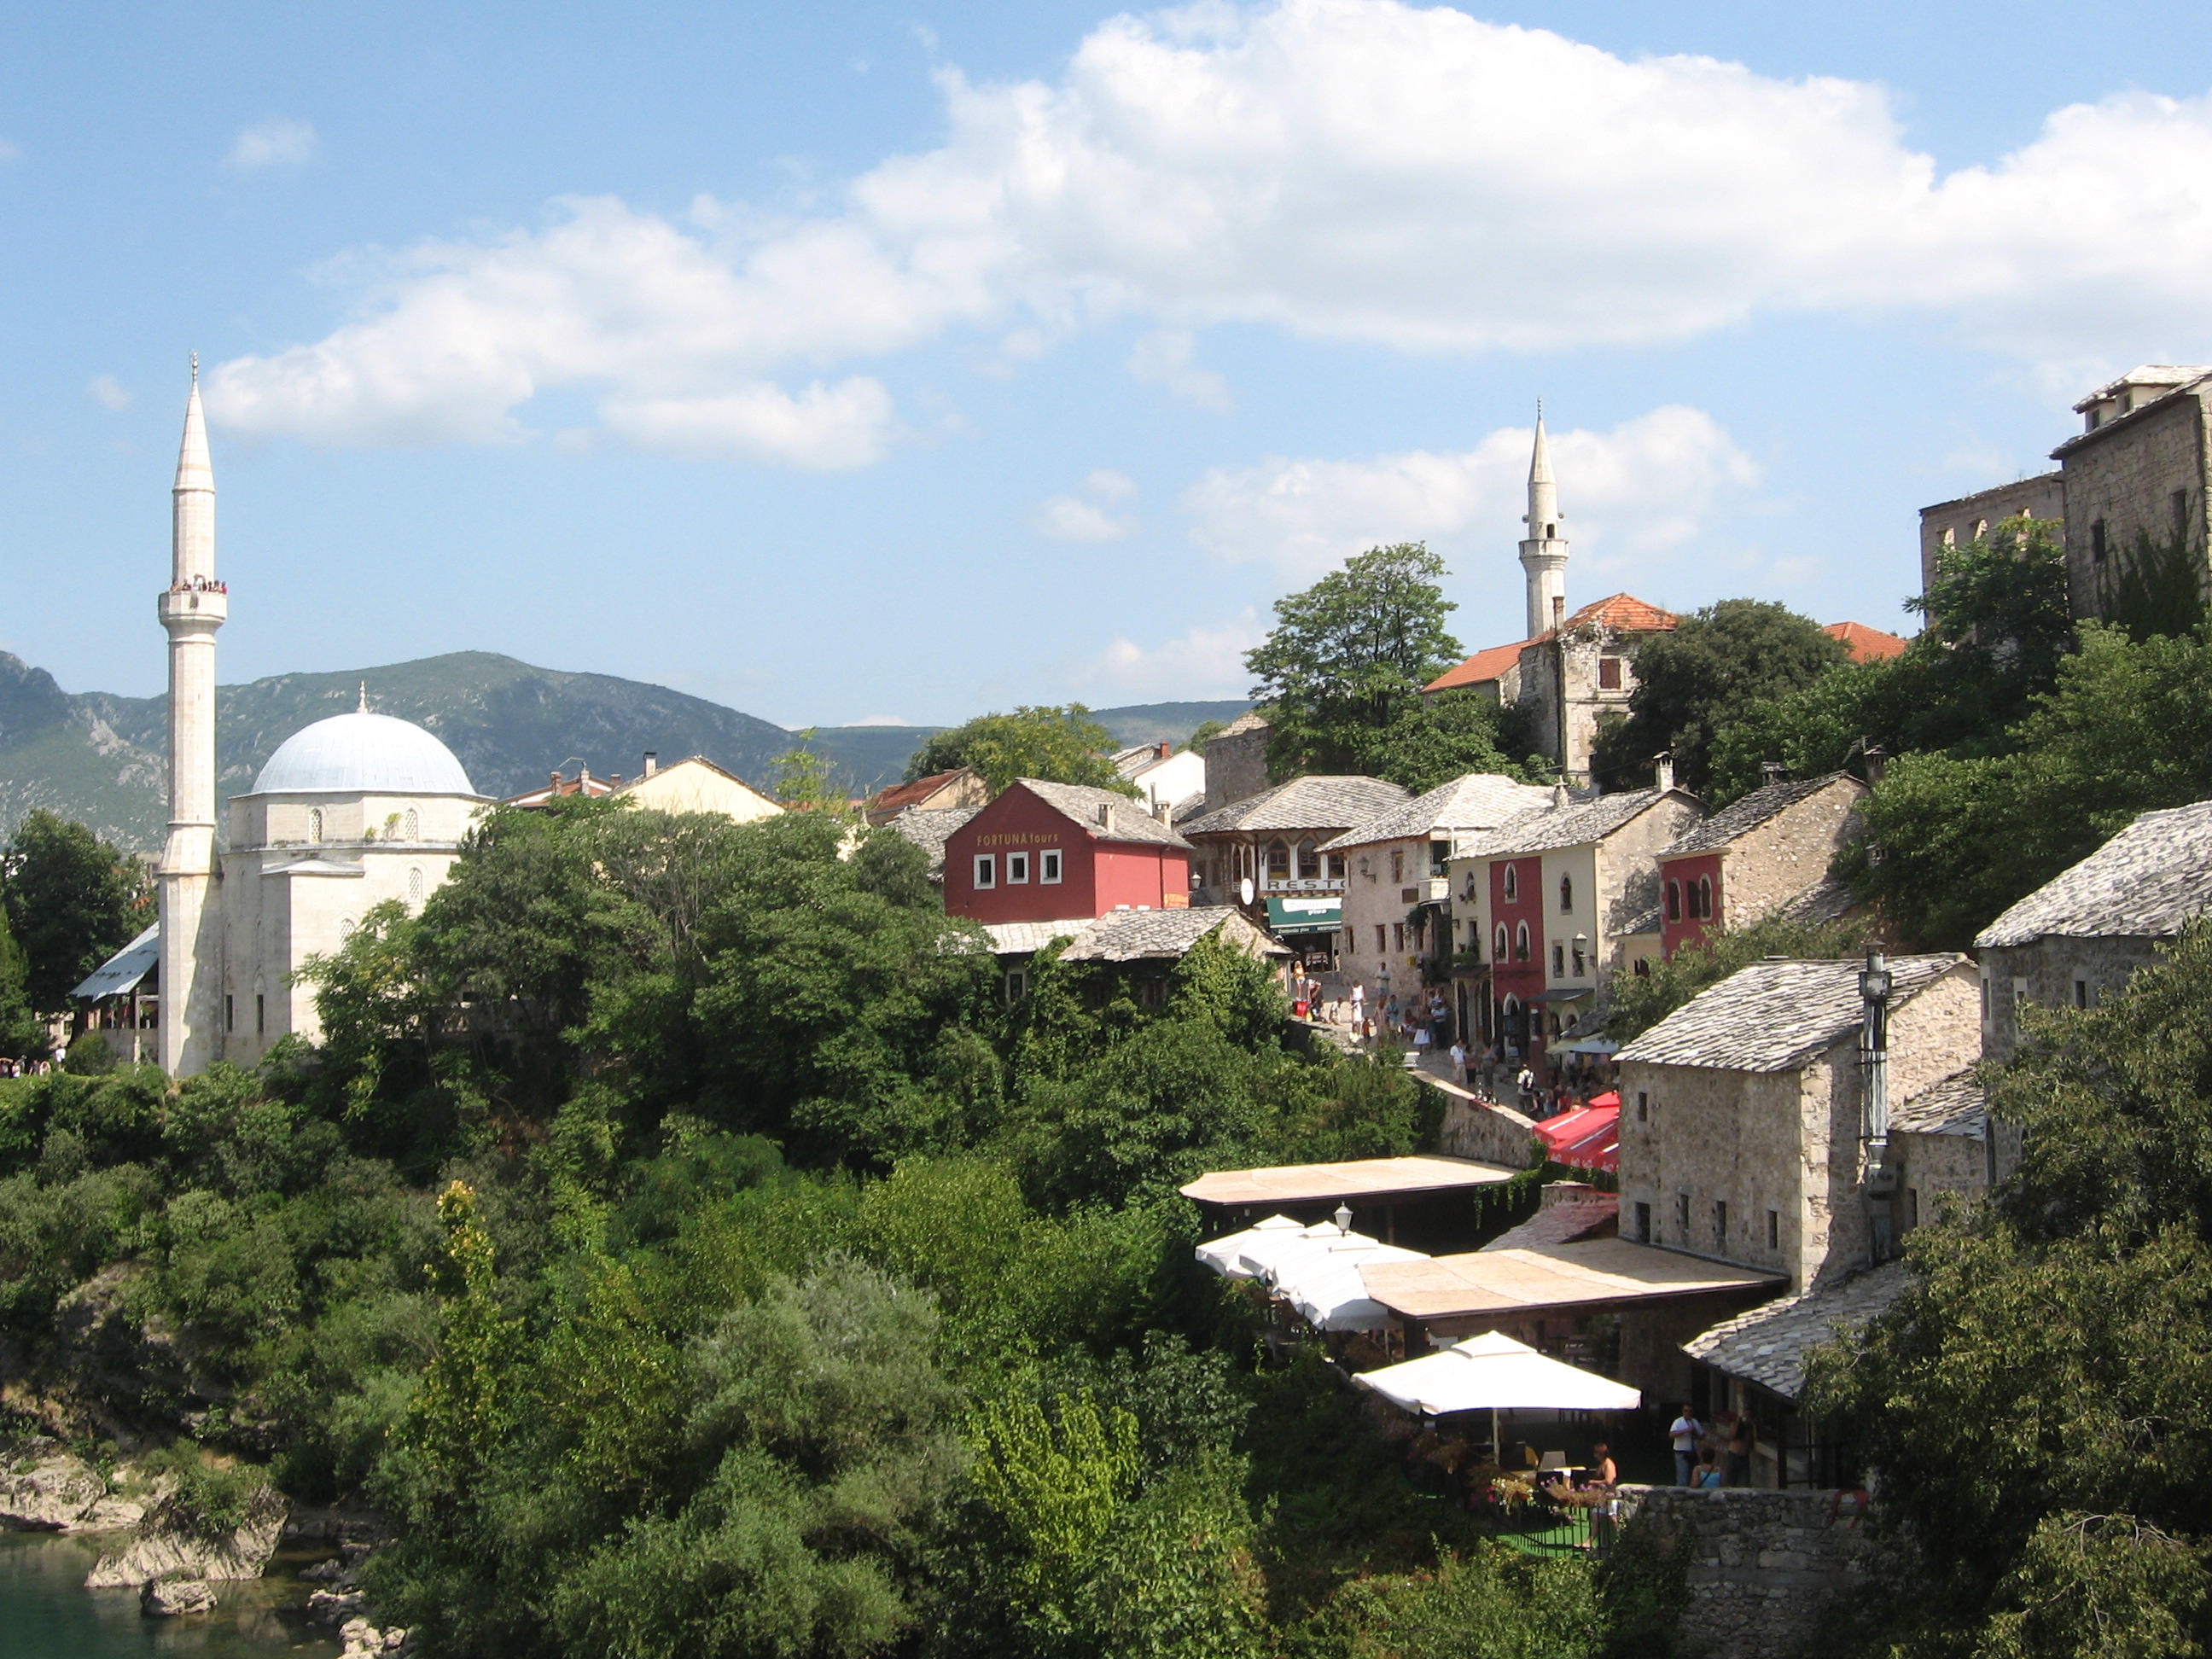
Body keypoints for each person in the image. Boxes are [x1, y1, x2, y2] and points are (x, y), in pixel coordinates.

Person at [1669, 1404, 1705, 1487]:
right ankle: (1681, 1490)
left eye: (1690, 1411)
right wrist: (1686, 1430)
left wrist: (1695, 1432)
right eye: (1686, 1411)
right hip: (1681, 1452)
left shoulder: (1694, 1422)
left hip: (1692, 1452)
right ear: (1682, 1412)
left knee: (1693, 1476)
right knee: (1683, 1476)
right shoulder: (1678, 1422)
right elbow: (1671, 1435)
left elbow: (1702, 1436)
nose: (1688, 1413)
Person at [1726, 1412, 1753, 1487]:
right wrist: (1738, 1422)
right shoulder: (1734, 1424)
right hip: (1733, 1456)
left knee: (1744, 1483)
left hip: (1744, 1458)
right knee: (1731, 1482)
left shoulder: (1749, 1429)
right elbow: (1731, 1436)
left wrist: (1752, 1424)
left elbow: (1754, 1439)